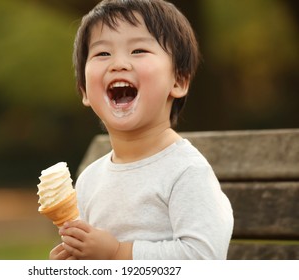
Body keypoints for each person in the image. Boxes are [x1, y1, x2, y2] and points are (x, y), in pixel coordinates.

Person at [50, 0, 234, 260]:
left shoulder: (186, 171)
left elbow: (204, 257)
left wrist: (117, 253)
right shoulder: (90, 179)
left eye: (138, 50)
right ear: (84, 90)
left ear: (178, 81)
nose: (118, 64)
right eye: (103, 54)